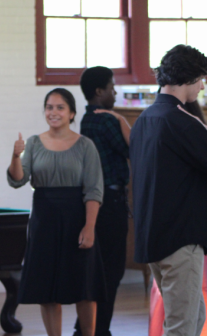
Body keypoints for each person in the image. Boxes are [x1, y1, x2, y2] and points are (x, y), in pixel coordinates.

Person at [7, 88, 105, 336]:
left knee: (84, 286)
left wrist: (90, 226)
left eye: (60, 107)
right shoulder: (34, 143)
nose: (54, 112)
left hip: (77, 219)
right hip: (44, 220)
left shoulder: (85, 146)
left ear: (72, 113)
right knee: (48, 290)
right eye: (49, 107)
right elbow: (18, 180)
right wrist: (15, 156)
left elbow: (94, 190)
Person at [130, 44, 207, 336]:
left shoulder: (144, 121)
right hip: (180, 241)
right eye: (201, 78)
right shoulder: (182, 122)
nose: (202, 86)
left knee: (192, 317)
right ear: (188, 77)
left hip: (153, 238)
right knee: (182, 326)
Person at [76, 66, 131, 336]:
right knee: (112, 270)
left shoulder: (87, 120)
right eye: (111, 87)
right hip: (111, 201)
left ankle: (85, 327)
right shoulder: (108, 121)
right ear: (99, 92)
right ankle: (100, 330)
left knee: (98, 269)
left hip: (95, 200)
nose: (115, 91)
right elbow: (137, 147)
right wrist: (121, 119)